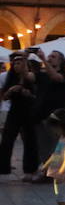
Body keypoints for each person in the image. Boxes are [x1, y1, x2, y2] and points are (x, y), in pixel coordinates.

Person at [1, 51, 39, 181]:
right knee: (7, 139)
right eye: (15, 63)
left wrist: (27, 93)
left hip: (28, 111)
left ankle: (30, 169)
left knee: (29, 141)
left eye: (19, 63)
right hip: (14, 111)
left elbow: (34, 92)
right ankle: (3, 168)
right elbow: (4, 97)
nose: (17, 65)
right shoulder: (10, 78)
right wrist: (11, 90)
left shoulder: (30, 75)